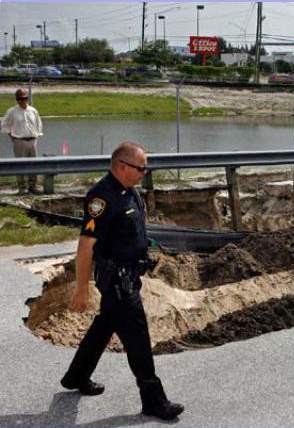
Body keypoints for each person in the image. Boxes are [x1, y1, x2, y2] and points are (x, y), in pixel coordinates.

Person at [60, 141, 184, 421]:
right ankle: (153, 399)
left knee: (104, 326)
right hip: (117, 281)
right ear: (122, 166)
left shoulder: (131, 193)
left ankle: (76, 376)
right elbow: (85, 246)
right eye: (141, 167)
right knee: (138, 337)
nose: (145, 172)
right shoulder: (101, 198)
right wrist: (82, 289)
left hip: (130, 274)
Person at [0, 88, 43, 194]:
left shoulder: (33, 110)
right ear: (16, 99)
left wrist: (36, 136)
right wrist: (13, 138)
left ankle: (32, 186)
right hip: (19, 141)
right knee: (20, 165)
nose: (21, 101)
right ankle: (22, 188)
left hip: (32, 141)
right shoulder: (12, 111)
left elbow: (39, 124)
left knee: (33, 164)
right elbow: (5, 125)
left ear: (27, 98)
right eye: (19, 99)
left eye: (23, 98)